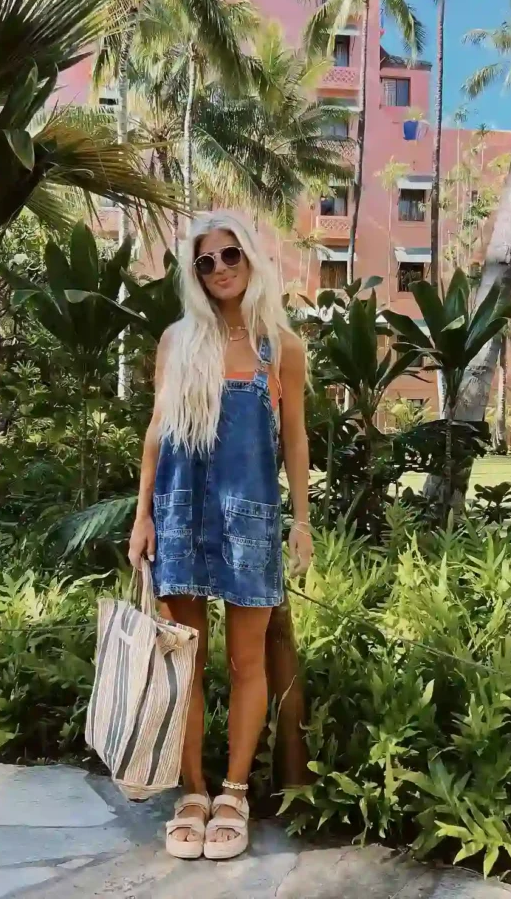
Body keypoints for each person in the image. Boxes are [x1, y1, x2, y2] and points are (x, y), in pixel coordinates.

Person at [127, 212, 312, 861]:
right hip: (179, 516)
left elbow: (295, 438)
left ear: (250, 258)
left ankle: (233, 792)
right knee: (185, 663)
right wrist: (142, 516)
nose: (220, 269)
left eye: (229, 255)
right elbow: (156, 431)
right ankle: (193, 792)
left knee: (244, 663)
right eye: (205, 262)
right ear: (195, 275)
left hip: (250, 519)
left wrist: (302, 521)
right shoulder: (177, 342)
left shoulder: (279, 347)